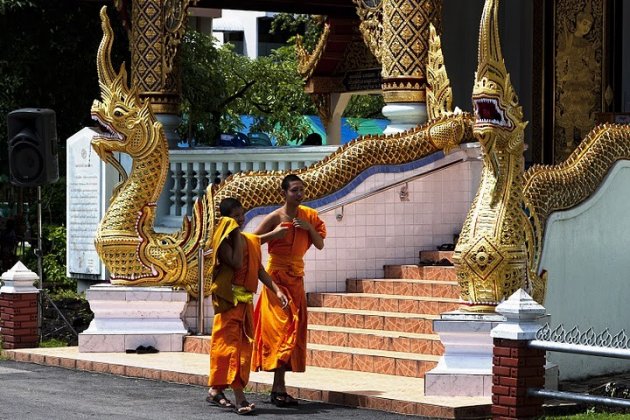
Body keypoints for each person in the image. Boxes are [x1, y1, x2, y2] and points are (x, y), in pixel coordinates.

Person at [207, 197, 289, 415]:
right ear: (226, 220)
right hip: (229, 303)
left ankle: (215, 390)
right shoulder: (223, 242)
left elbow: (260, 271)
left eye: (242, 215)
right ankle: (240, 398)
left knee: (241, 350)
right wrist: (233, 232)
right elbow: (234, 262)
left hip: (245, 304)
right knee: (230, 350)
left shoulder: (247, 241)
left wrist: (277, 290)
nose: (241, 219)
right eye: (235, 217)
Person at [251, 174, 326, 407]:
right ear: (284, 193)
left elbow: (320, 243)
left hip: (296, 280)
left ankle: (278, 388)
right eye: (294, 190)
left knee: (293, 330)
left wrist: (308, 228)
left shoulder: (309, 216)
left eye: (301, 190)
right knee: (281, 330)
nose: (299, 194)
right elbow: (251, 242)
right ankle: (278, 387)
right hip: (276, 279)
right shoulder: (275, 216)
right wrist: (274, 235)